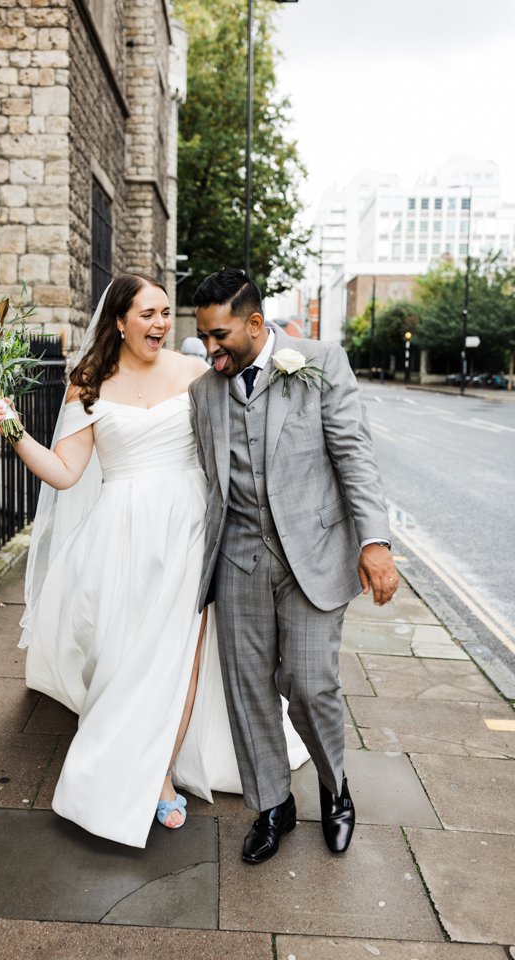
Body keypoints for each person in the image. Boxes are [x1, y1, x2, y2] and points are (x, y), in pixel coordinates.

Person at [0, 273, 308, 849]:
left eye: (165, 312)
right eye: (148, 314)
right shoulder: (86, 384)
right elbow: (65, 473)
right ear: (118, 321)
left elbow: (247, 427)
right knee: (123, 656)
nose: (161, 324)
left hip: (188, 527)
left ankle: (158, 774)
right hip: (121, 532)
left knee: (182, 651)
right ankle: (119, 754)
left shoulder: (193, 373)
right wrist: (11, 428)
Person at [190, 268, 398, 865]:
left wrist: (374, 542)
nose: (209, 349)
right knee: (248, 690)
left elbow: (354, 455)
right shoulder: (204, 390)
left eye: (220, 335)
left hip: (314, 555)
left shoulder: (320, 362)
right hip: (237, 559)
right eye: (203, 336)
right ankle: (272, 803)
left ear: (256, 324)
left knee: (310, 686)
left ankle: (336, 789)